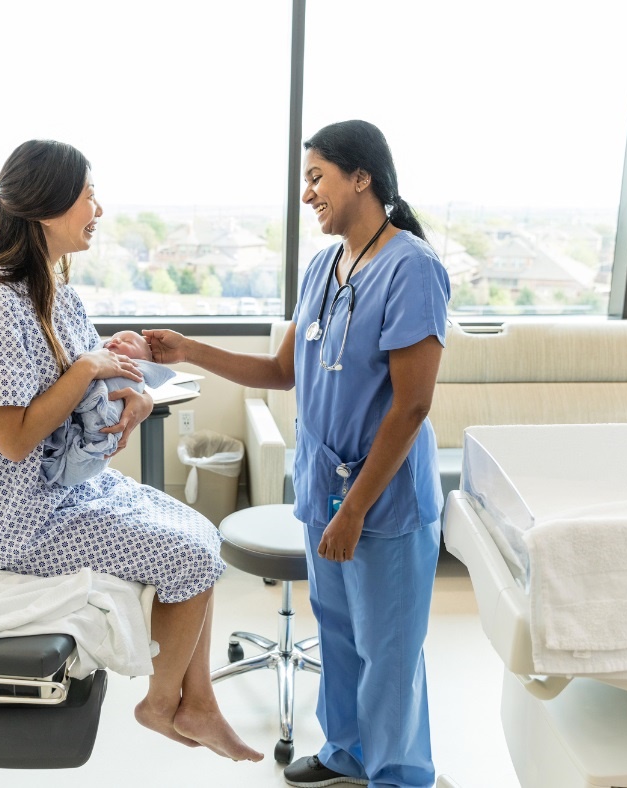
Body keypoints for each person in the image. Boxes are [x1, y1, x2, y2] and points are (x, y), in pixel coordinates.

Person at [0, 139, 262, 763]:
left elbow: (85, 376)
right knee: (189, 557)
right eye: (88, 195)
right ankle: (162, 705)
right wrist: (87, 369)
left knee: (200, 534)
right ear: (48, 205)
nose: (98, 209)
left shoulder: (51, 290)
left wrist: (130, 389)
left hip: (61, 489)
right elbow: (14, 436)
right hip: (12, 517)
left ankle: (200, 703)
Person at [145, 120, 450, 788]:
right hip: (322, 488)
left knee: (389, 651)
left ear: (361, 176)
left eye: (316, 177)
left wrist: (354, 513)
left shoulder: (413, 267)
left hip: (384, 498)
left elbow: (412, 407)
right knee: (338, 636)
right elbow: (284, 371)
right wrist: (189, 350)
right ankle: (348, 752)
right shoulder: (322, 266)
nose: (307, 193)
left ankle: (399, 774)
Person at [40, 330, 175, 486]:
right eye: (113, 338)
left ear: (143, 360)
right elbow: (88, 368)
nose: (115, 341)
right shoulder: (98, 356)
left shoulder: (136, 375)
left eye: (127, 342)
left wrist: (146, 401)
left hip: (98, 431)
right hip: (63, 422)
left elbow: (133, 390)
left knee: (96, 437)